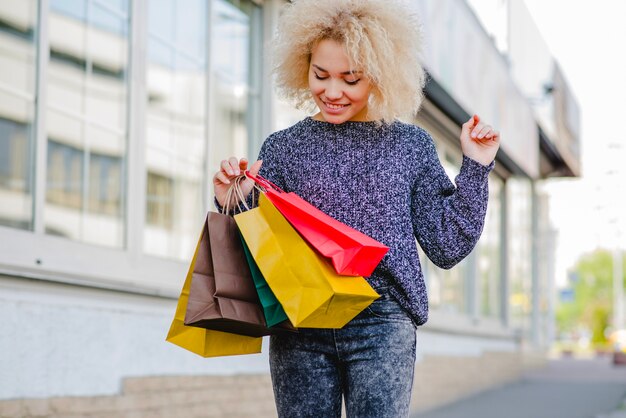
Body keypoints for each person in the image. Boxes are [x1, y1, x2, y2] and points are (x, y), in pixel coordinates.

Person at [213, 0, 500, 416]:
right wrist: (230, 201)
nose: (332, 92)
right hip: (300, 324)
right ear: (302, 66)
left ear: (381, 75)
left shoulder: (410, 147)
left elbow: (446, 245)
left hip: (382, 324)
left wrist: (475, 166)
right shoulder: (284, 148)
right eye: (320, 75)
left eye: (351, 79)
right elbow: (257, 250)